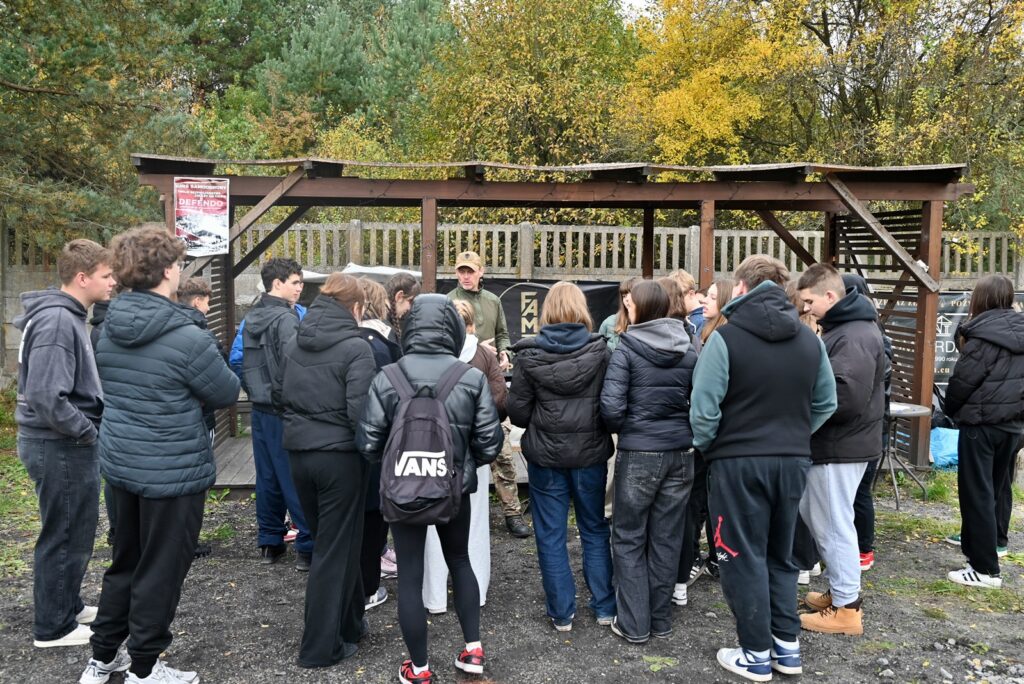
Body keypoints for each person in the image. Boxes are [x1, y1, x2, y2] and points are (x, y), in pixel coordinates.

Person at [82, 226, 239, 684]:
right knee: (161, 570)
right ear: (169, 270)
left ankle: (102, 658)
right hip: (172, 472)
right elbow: (226, 391)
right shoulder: (187, 336)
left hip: (122, 465)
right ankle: (145, 668)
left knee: (125, 562)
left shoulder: (106, 328)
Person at [690, 255, 836, 682]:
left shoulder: (726, 339)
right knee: (780, 555)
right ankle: (786, 648)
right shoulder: (810, 339)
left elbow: (703, 412)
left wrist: (715, 447)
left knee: (741, 556)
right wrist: (793, 436)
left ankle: (754, 653)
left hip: (737, 463)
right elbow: (826, 402)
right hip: (791, 463)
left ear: (741, 287)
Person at [358, 294, 504, 684]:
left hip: (403, 491)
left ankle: (419, 669)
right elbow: (490, 444)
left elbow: (368, 443)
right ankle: (473, 651)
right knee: (460, 560)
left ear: (408, 328)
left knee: (409, 574)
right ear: (453, 329)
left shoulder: (388, 376)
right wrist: (459, 466)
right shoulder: (469, 377)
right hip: (454, 490)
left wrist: (400, 465)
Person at [15, 239, 114, 649]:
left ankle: (67, 605)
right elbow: (45, 394)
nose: (113, 282)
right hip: (58, 442)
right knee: (65, 531)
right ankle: (53, 627)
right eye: (107, 275)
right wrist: (87, 431)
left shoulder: (66, 315)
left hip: (60, 441)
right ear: (82, 277)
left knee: (75, 528)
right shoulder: (58, 320)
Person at [278, 273, 377, 667]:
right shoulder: (357, 348)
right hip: (340, 460)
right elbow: (361, 413)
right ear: (356, 307)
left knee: (334, 544)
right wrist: (375, 453)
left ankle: (350, 624)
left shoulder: (293, 341)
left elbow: (278, 393)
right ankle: (320, 647)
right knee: (334, 552)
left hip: (299, 455)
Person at [507, 282, 615, 632]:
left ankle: (562, 612)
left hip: (546, 459)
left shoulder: (528, 356)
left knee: (551, 534)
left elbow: (518, 413)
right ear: (582, 310)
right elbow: (611, 407)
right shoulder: (601, 352)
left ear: (547, 311)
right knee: (594, 529)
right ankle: (604, 607)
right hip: (590, 456)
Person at [601, 280, 697, 643]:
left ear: (641, 308)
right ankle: (660, 620)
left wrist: (634, 428)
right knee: (667, 537)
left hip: (640, 453)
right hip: (681, 453)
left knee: (628, 536)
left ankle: (634, 624)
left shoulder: (627, 348)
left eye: (631, 304)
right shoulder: (689, 348)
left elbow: (611, 410)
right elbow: (699, 402)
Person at [795, 264, 886, 636]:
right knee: (827, 520)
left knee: (833, 526)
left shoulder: (853, 335)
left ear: (830, 296)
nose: (806, 309)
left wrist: (800, 407)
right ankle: (839, 592)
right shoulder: (850, 329)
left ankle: (847, 609)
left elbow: (844, 397)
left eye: (810, 301)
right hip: (842, 444)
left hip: (839, 445)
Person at [423, 300, 507, 614]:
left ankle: (435, 597)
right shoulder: (483, 355)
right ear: (471, 325)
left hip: (431, 449)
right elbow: (499, 402)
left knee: (432, 523)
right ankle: (477, 591)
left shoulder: (426, 357)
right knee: (475, 524)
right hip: (472, 452)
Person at [943, 275, 1024, 589]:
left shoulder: (980, 335)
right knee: (994, 491)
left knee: (976, 494)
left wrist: (951, 411)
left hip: (981, 426)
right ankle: (987, 555)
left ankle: (984, 569)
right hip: (1013, 427)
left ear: (979, 299)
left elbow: (962, 383)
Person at [446, 250, 530, 539]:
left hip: (490, 383)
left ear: (481, 271)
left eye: (470, 271)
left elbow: (503, 333)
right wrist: (475, 347)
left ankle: (512, 513)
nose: (465, 276)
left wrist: (503, 353)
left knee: (503, 454)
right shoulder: (449, 301)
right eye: (461, 271)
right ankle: (453, 513)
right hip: (458, 388)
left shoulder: (493, 300)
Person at [236, 258, 314, 569]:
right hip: (285, 409)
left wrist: (255, 390)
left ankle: (270, 541)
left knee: (267, 477)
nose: (300, 288)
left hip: (259, 406)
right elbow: (295, 366)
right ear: (277, 283)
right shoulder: (287, 319)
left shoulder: (251, 316)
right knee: (295, 477)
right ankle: (307, 546)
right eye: (295, 282)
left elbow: (239, 361)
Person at [841, 273, 892, 573]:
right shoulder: (873, 331)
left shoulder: (871, 337)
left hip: (868, 427)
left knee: (860, 492)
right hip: (869, 426)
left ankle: (863, 549)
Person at [356, 277, 402, 606]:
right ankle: (368, 587)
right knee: (373, 514)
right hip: (376, 440)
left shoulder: (343, 338)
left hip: (344, 441)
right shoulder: (382, 343)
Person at [598, 276, 640, 352]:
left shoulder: (650, 323)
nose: (626, 299)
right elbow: (598, 351)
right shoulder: (609, 322)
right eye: (624, 296)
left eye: (631, 294)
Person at [668, 269, 705, 336]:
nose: (675, 303)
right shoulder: (689, 317)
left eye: (679, 297)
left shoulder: (702, 320)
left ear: (691, 294)